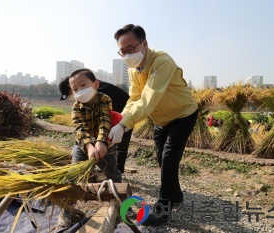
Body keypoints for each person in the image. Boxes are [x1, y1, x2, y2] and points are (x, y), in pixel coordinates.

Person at [109, 24, 198, 225]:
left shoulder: (162, 62)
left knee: (168, 156)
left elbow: (148, 99)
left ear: (145, 43)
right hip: (161, 119)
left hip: (182, 114)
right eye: (122, 51)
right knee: (162, 158)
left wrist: (123, 127)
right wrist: (120, 121)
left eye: (130, 49)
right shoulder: (133, 69)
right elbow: (134, 98)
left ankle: (163, 208)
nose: (126, 55)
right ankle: (175, 195)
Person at [59, 75, 133, 174]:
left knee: (118, 143)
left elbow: (103, 122)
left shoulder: (97, 94)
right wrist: (85, 144)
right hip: (113, 115)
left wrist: (100, 141)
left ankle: (117, 173)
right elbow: (81, 125)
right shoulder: (81, 99)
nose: (71, 96)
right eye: (74, 90)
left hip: (125, 112)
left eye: (69, 93)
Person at [67, 68, 122, 183]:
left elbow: (105, 121)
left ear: (96, 84)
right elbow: (79, 128)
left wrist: (101, 142)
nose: (80, 90)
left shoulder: (104, 99)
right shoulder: (76, 107)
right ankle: (73, 196)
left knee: (111, 171)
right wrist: (89, 146)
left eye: (83, 85)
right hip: (83, 143)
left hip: (103, 142)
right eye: (75, 89)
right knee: (75, 172)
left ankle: (117, 196)